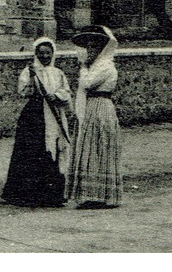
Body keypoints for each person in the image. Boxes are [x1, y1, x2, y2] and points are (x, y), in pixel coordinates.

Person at [2, 37, 74, 207]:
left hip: (53, 112)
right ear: (36, 54)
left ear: (53, 54)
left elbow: (66, 92)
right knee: (32, 151)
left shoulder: (58, 73)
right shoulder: (29, 71)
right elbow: (23, 91)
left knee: (53, 149)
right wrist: (33, 82)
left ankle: (51, 195)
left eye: (48, 53)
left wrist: (55, 96)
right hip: (34, 116)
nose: (44, 57)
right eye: (41, 54)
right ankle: (26, 194)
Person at [66, 25, 122, 208]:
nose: (90, 51)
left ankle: (99, 195)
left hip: (100, 107)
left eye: (94, 47)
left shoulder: (105, 66)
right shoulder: (96, 66)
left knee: (97, 146)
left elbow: (87, 83)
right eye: (88, 47)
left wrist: (83, 66)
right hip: (92, 106)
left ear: (103, 48)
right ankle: (90, 193)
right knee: (89, 146)